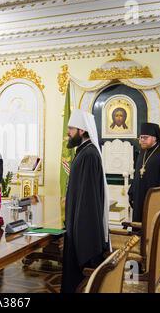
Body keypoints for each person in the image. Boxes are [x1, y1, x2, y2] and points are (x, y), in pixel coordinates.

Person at [60, 109, 110, 293]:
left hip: (83, 228)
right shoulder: (83, 151)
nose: (68, 133)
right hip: (78, 221)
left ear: (82, 131)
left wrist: (78, 230)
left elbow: (87, 199)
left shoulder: (88, 155)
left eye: (71, 129)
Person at [128, 122, 160, 274]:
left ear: (155, 138)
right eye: (140, 137)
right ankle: (141, 264)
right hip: (141, 203)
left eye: (145, 137)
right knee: (141, 236)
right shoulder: (142, 153)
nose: (142, 140)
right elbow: (138, 176)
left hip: (157, 207)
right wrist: (132, 191)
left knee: (158, 237)